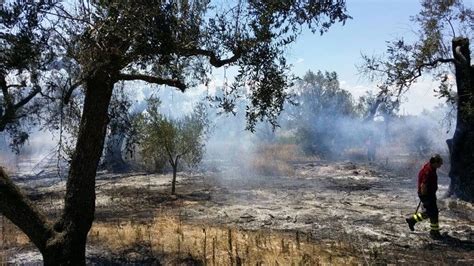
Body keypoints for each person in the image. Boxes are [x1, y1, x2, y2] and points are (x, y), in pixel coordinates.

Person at [405, 154, 443, 239]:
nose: (441, 165)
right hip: (427, 195)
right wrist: (426, 197)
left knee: (433, 212)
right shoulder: (428, 171)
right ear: (434, 163)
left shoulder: (431, 167)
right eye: (439, 163)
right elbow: (423, 185)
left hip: (429, 194)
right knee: (430, 212)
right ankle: (412, 220)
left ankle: (434, 231)